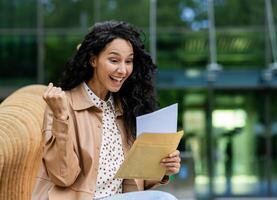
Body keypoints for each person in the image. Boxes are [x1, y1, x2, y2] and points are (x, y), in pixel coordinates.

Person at [32, 21, 181, 200]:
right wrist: (61, 118)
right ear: (93, 59)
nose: (123, 70)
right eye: (114, 60)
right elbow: (63, 176)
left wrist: (164, 166)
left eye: (129, 61)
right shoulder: (62, 106)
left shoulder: (126, 108)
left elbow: (135, 180)